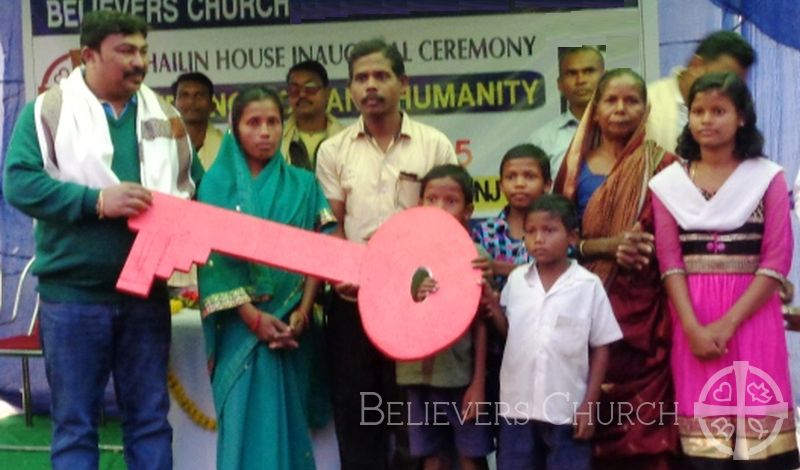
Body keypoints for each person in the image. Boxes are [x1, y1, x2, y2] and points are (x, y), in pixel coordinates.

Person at [3, 10, 203, 469]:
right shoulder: (47, 111)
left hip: (147, 297)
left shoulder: (166, 115)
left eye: (144, 51)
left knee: (150, 421)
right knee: (75, 426)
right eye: (126, 51)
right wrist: (95, 201)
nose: (140, 62)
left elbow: (196, 189)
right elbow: (19, 183)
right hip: (73, 299)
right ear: (88, 55)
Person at [316, 38, 458, 469]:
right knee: (357, 413)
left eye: (381, 76)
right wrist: (341, 271)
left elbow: (449, 224)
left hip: (415, 299)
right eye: (361, 78)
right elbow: (331, 225)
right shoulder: (333, 150)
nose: (371, 86)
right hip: (352, 297)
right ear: (350, 89)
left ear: (404, 83)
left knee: (411, 417)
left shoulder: (433, 145)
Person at [649, 72, 799, 469]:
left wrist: (728, 324)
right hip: (692, 320)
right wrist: (696, 328)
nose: (706, 120)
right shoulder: (668, 185)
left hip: (752, 318)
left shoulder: (767, 177)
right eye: (698, 111)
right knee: (706, 449)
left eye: (719, 111)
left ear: (742, 118)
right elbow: (669, 262)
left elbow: (776, 259)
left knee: (760, 446)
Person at [197, 86, 336, 470]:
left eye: (273, 122)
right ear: (235, 128)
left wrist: (303, 313)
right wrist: (254, 319)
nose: (265, 132)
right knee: (245, 424)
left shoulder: (303, 184)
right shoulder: (214, 187)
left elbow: (319, 251)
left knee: (290, 426)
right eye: (253, 123)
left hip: (293, 328)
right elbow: (214, 263)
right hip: (242, 330)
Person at [553, 68, 680, 469]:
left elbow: (677, 238)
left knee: (647, 426)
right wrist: (605, 246)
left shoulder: (664, 165)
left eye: (632, 101)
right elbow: (557, 239)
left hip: (644, 313)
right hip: (586, 305)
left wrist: (644, 249)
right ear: (596, 108)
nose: (621, 109)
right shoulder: (573, 169)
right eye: (611, 100)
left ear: (645, 109)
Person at [483, 194, 622, 470]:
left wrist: (589, 405)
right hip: (517, 408)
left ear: (572, 237)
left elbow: (601, 347)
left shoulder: (587, 285)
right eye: (531, 232)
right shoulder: (517, 280)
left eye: (549, 230)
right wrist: (492, 307)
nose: (538, 239)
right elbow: (510, 333)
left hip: (565, 410)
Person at [397, 164, 493, 470]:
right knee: (430, 454)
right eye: (431, 199)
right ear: (419, 204)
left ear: (469, 210)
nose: (439, 208)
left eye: (450, 201)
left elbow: (482, 323)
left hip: (460, 375)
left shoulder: (474, 255)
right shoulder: (403, 255)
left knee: (470, 453)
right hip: (415, 374)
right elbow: (390, 311)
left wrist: (477, 382)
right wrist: (414, 293)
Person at [646, 30, 755, 153]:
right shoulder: (647, 105)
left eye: (735, 85)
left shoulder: (734, 117)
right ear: (696, 65)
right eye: (720, 79)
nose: (727, 89)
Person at [472, 144, 552, 289]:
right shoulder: (484, 232)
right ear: (501, 185)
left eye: (529, 176)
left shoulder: (555, 230)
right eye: (511, 177)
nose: (519, 184)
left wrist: (499, 267)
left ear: (547, 185)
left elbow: (558, 275)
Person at [530, 46, 605, 177]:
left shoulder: (627, 133)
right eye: (572, 73)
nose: (581, 80)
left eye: (589, 71)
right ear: (560, 84)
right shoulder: (541, 140)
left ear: (605, 77)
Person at [282, 60, 344, 170]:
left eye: (310, 88)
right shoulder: (277, 141)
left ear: (327, 93)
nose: (302, 94)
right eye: (294, 89)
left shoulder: (346, 139)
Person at [172, 71, 224, 169]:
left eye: (199, 95)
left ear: (212, 106)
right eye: (184, 95)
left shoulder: (226, 147)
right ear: (173, 106)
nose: (191, 101)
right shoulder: (160, 145)